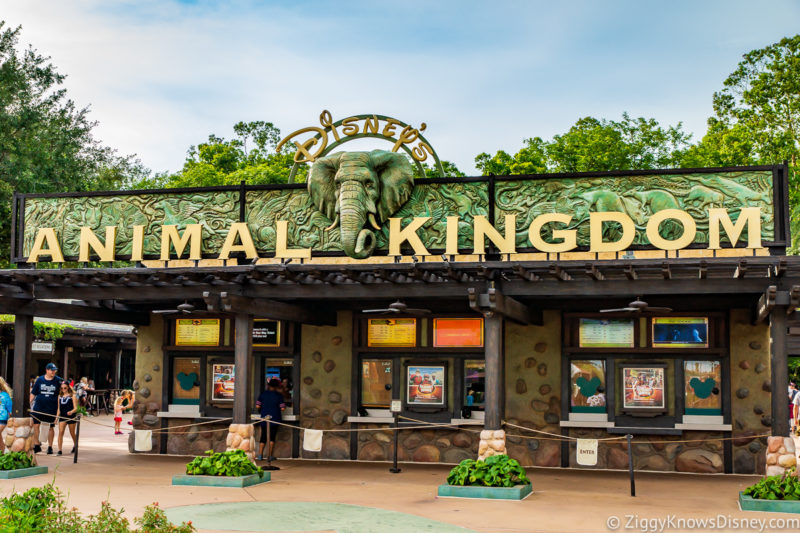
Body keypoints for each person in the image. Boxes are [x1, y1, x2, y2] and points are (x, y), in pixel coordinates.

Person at [31, 363, 63, 454]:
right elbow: (33, 393)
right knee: (36, 425)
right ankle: (37, 444)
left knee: (50, 427)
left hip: (51, 408)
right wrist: (28, 404)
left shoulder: (58, 380)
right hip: (38, 407)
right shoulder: (40, 380)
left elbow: (64, 390)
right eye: (51, 370)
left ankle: (50, 447)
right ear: (47, 370)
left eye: (54, 370)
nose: (53, 372)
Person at [255, 378, 285, 461]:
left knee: (263, 436)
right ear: (276, 387)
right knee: (272, 437)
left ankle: (260, 455)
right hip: (275, 418)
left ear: (268, 386)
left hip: (264, 417)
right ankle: (269, 455)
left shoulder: (263, 394)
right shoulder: (279, 396)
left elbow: (257, 406)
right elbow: (282, 408)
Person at [57, 383, 78, 455]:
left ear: (68, 388)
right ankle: (59, 450)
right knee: (60, 432)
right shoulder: (59, 396)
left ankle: (76, 445)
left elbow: (76, 408)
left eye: (65, 388)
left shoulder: (73, 396)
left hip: (71, 416)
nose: (63, 390)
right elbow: (59, 409)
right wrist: (56, 418)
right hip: (62, 416)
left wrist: (71, 412)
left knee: (72, 432)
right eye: (62, 388)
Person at [0, 377, 12, 453]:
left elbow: (9, 407)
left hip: (2, 418)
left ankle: (3, 451)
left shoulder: (5, 395)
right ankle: (3, 451)